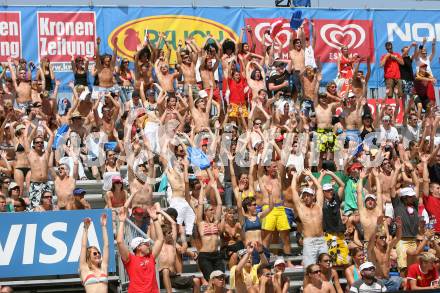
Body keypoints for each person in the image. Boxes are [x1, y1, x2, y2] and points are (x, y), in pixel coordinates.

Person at [116, 207, 164, 293]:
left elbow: (160, 239)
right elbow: (119, 242)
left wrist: (155, 219)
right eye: (145, 243)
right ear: (138, 247)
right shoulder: (130, 259)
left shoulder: (151, 257)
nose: (148, 245)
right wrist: (122, 222)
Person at [290, 169, 327, 267]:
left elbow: (319, 187)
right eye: (304, 195)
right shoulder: (301, 207)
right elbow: (293, 189)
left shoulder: (319, 205)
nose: (306, 197)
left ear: (313, 196)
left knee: (325, 266)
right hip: (309, 241)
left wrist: (310, 174)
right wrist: (294, 176)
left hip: (321, 240)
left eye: (308, 195)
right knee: (310, 267)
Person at [79, 214, 109, 293]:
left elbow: (106, 245)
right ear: (89, 256)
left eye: (98, 252)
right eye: (95, 253)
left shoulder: (103, 267)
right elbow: (83, 246)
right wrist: (86, 228)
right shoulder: (84, 268)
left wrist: (103, 226)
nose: (98, 254)